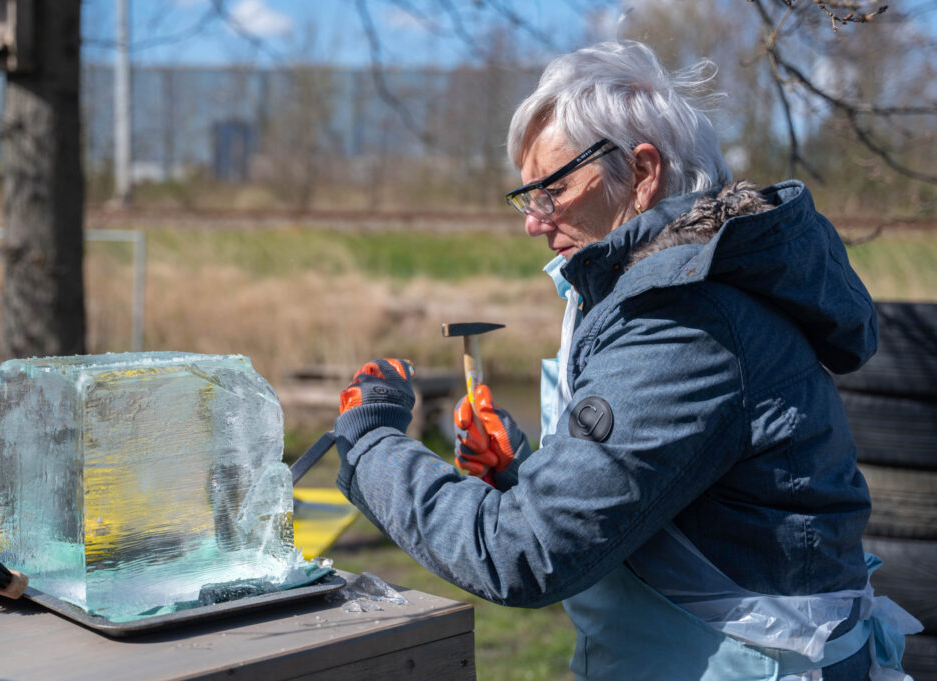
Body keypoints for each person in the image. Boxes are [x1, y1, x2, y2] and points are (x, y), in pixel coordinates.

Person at [331, 41, 921, 680]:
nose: (534, 221)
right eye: (526, 196)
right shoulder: (667, 295)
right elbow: (671, 506)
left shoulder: (683, 322)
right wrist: (524, 474)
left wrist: (372, 446)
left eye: (552, 190)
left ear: (642, 174)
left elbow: (521, 553)